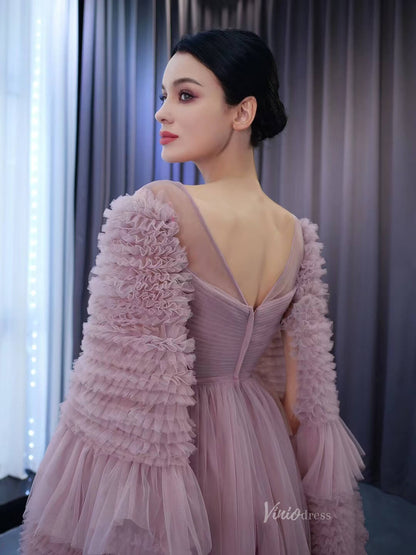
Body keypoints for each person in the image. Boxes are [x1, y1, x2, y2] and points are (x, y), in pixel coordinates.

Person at [20, 28, 369, 554]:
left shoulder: (158, 208)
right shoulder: (296, 233)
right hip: (262, 449)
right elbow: (302, 402)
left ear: (242, 112)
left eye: (185, 95)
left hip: (177, 451)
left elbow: (116, 398)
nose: (161, 113)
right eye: (164, 96)